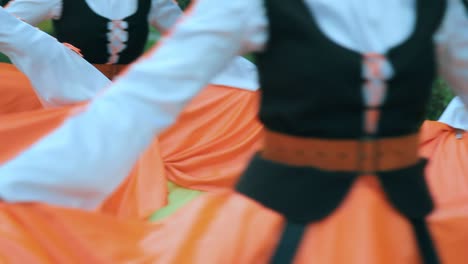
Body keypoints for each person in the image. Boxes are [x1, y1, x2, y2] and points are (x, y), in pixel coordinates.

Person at [1, 1, 468, 263]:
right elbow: (139, 100)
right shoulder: (248, 8)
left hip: (399, 211)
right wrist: (21, 186)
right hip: (277, 213)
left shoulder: (437, 12)